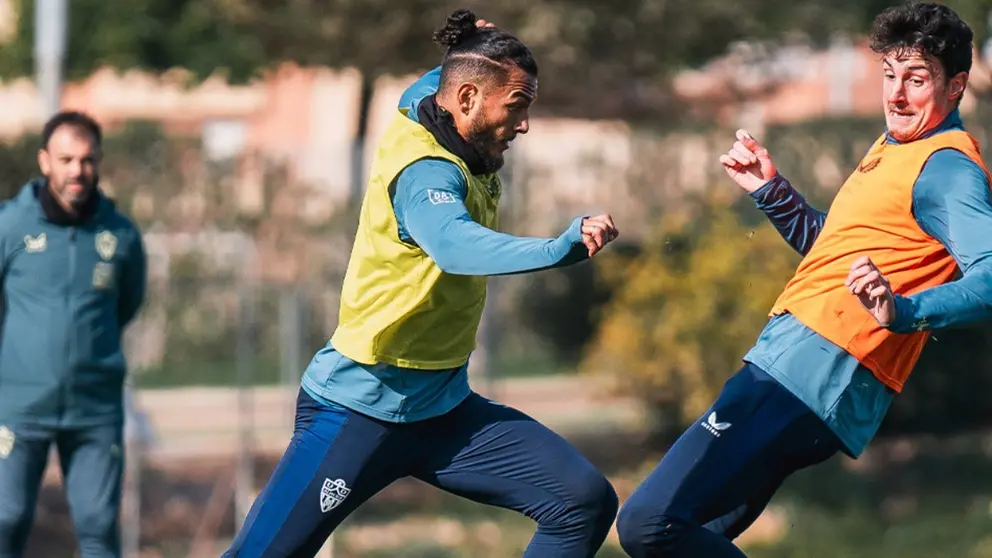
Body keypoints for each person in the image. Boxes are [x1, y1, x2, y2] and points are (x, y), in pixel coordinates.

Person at [224, 10, 620, 558]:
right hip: (357, 412)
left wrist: (476, 41)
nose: (525, 123)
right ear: (466, 101)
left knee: (580, 501)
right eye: (518, 105)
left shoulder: (437, 102)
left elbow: (445, 75)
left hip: (443, 412)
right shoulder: (425, 172)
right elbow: (455, 247)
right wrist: (558, 248)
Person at [617, 3, 992, 557]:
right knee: (689, 537)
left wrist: (904, 309)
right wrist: (772, 191)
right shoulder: (895, 147)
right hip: (794, 365)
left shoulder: (946, 167)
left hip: (812, 371)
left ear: (956, 86)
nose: (896, 95)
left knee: (647, 523)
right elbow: (835, 249)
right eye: (890, 75)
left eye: (917, 80)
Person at [0, 111, 147, 558]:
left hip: (94, 408)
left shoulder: (120, 234)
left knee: (99, 526)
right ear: (45, 161)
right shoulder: (10, 226)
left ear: (98, 161)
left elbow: (128, 303)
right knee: (6, 520)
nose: (76, 171)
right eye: (66, 159)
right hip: (18, 405)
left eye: (86, 160)